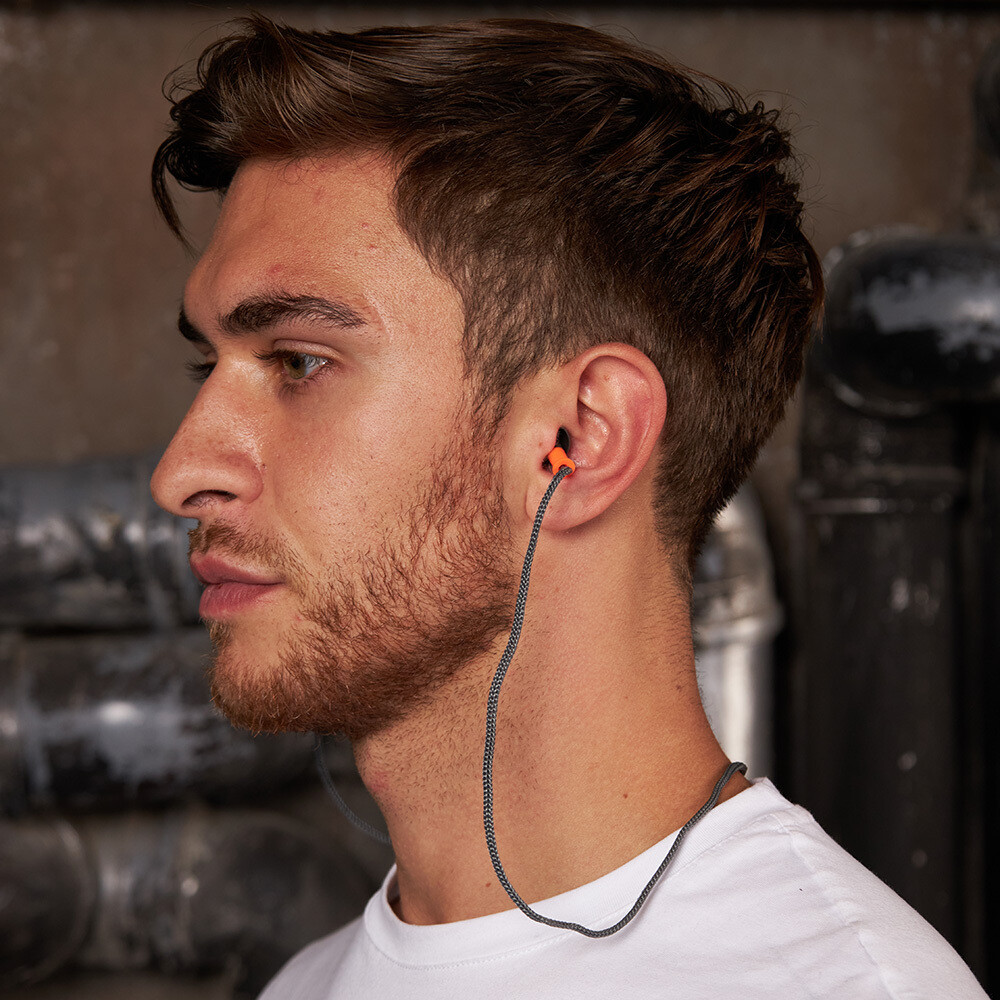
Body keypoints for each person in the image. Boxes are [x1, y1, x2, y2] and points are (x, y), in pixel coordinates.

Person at [149, 14, 987, 999]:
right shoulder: (306, 983)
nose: (180, 472)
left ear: (582, 438)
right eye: (209, 367)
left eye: (299, 361)